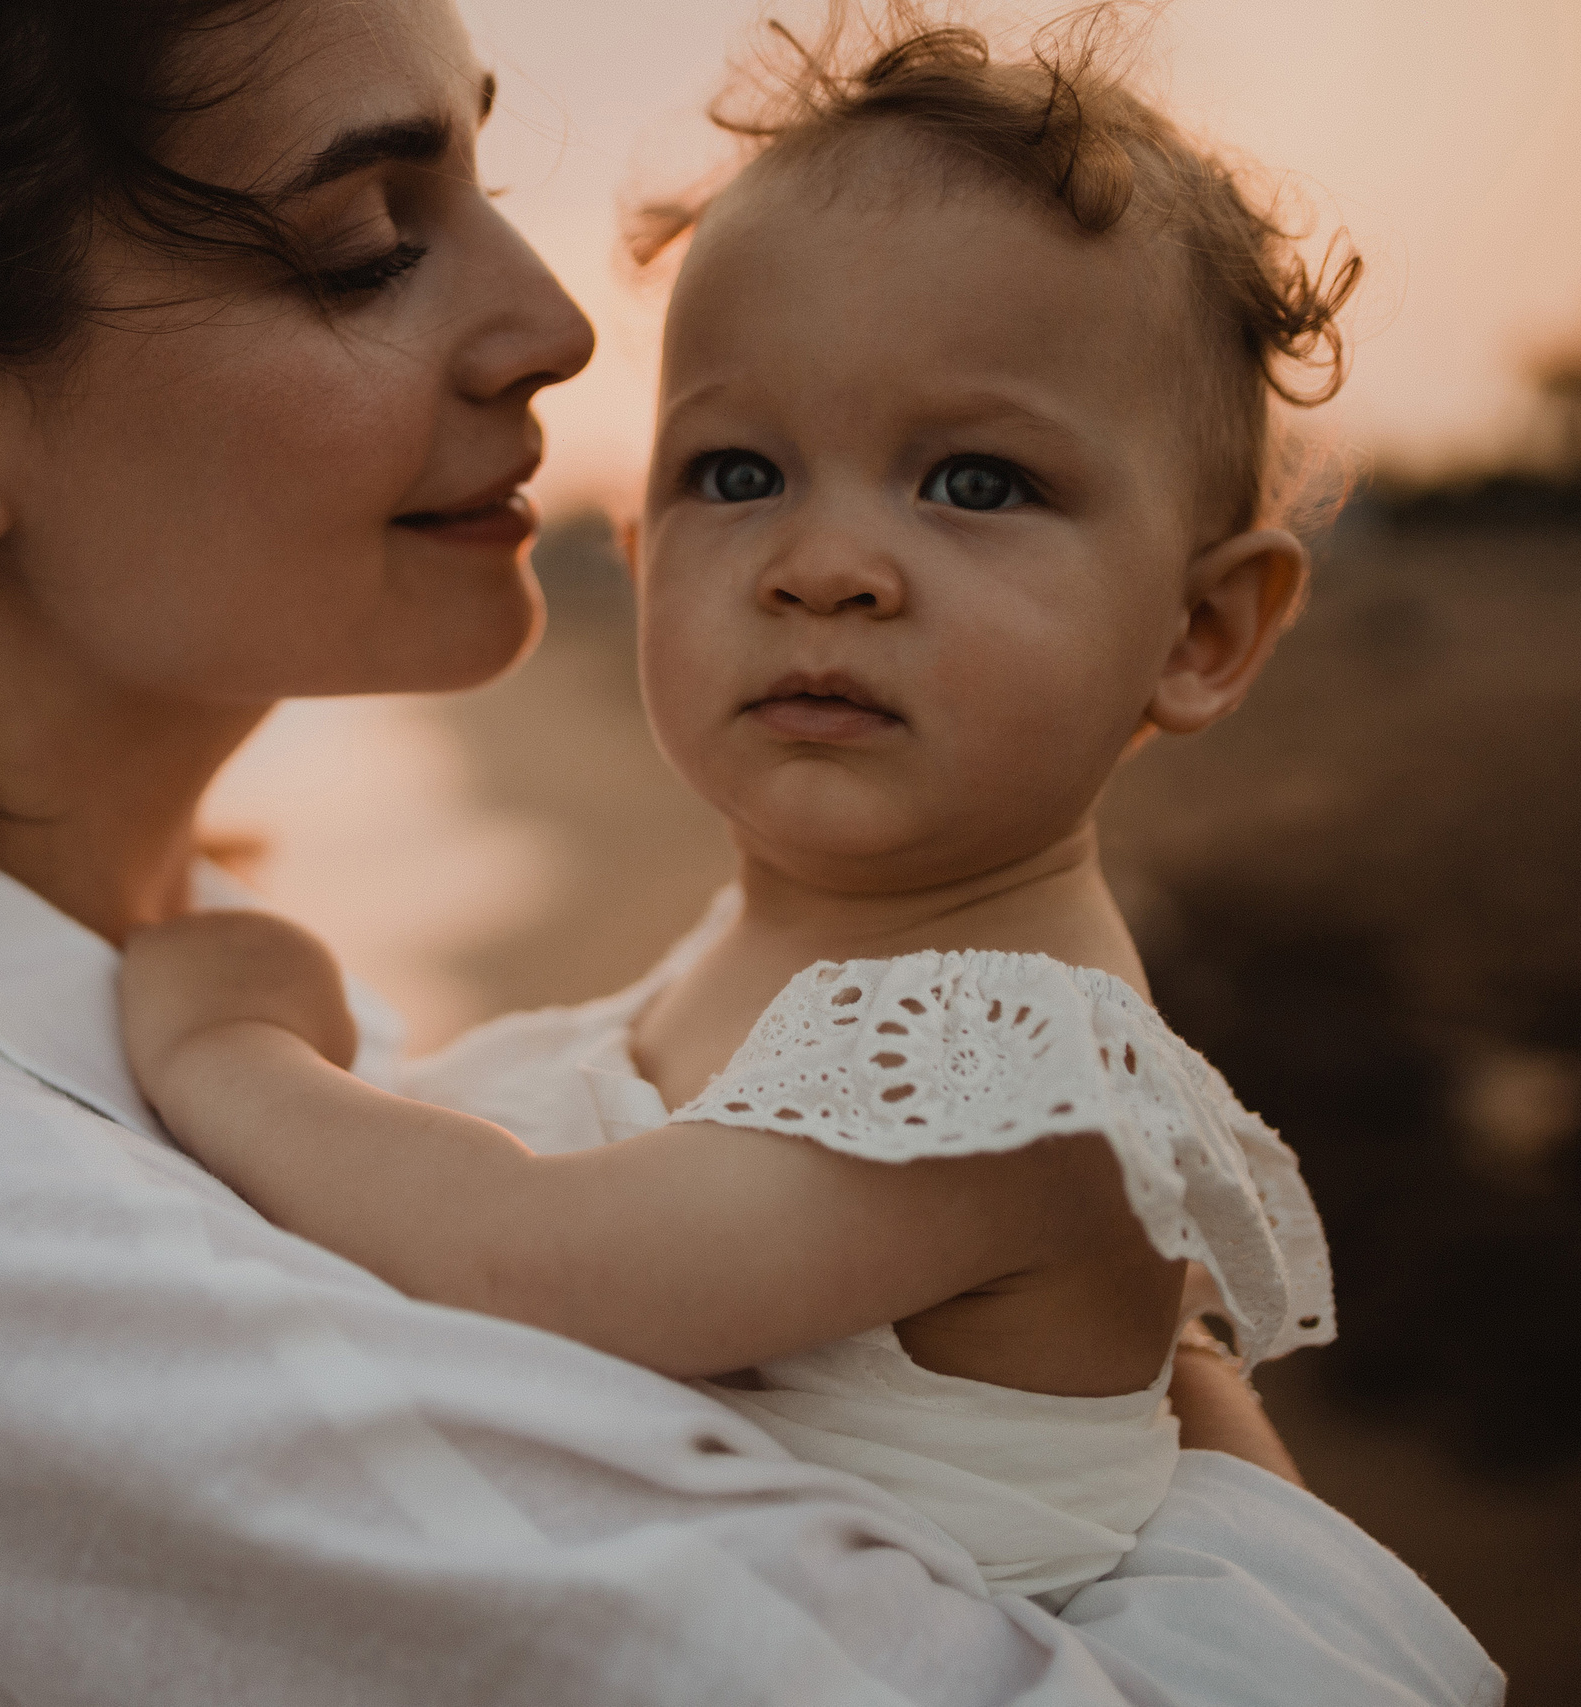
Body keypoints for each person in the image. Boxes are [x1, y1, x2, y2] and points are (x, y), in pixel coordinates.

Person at [0, 0, 1499, 1700]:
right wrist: (1228, 1471)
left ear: (1208, 621)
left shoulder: (184, 973)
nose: (558, 326)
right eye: (370, 237)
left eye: (473, 179)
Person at [117, 10, 1377, 1615]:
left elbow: (534, 1264)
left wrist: (229, 1051)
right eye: (737, 474)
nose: (822, 564)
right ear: (644, 558)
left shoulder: (1017, 1063)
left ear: (1202, 634)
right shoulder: (792, 955)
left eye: (975, 482)